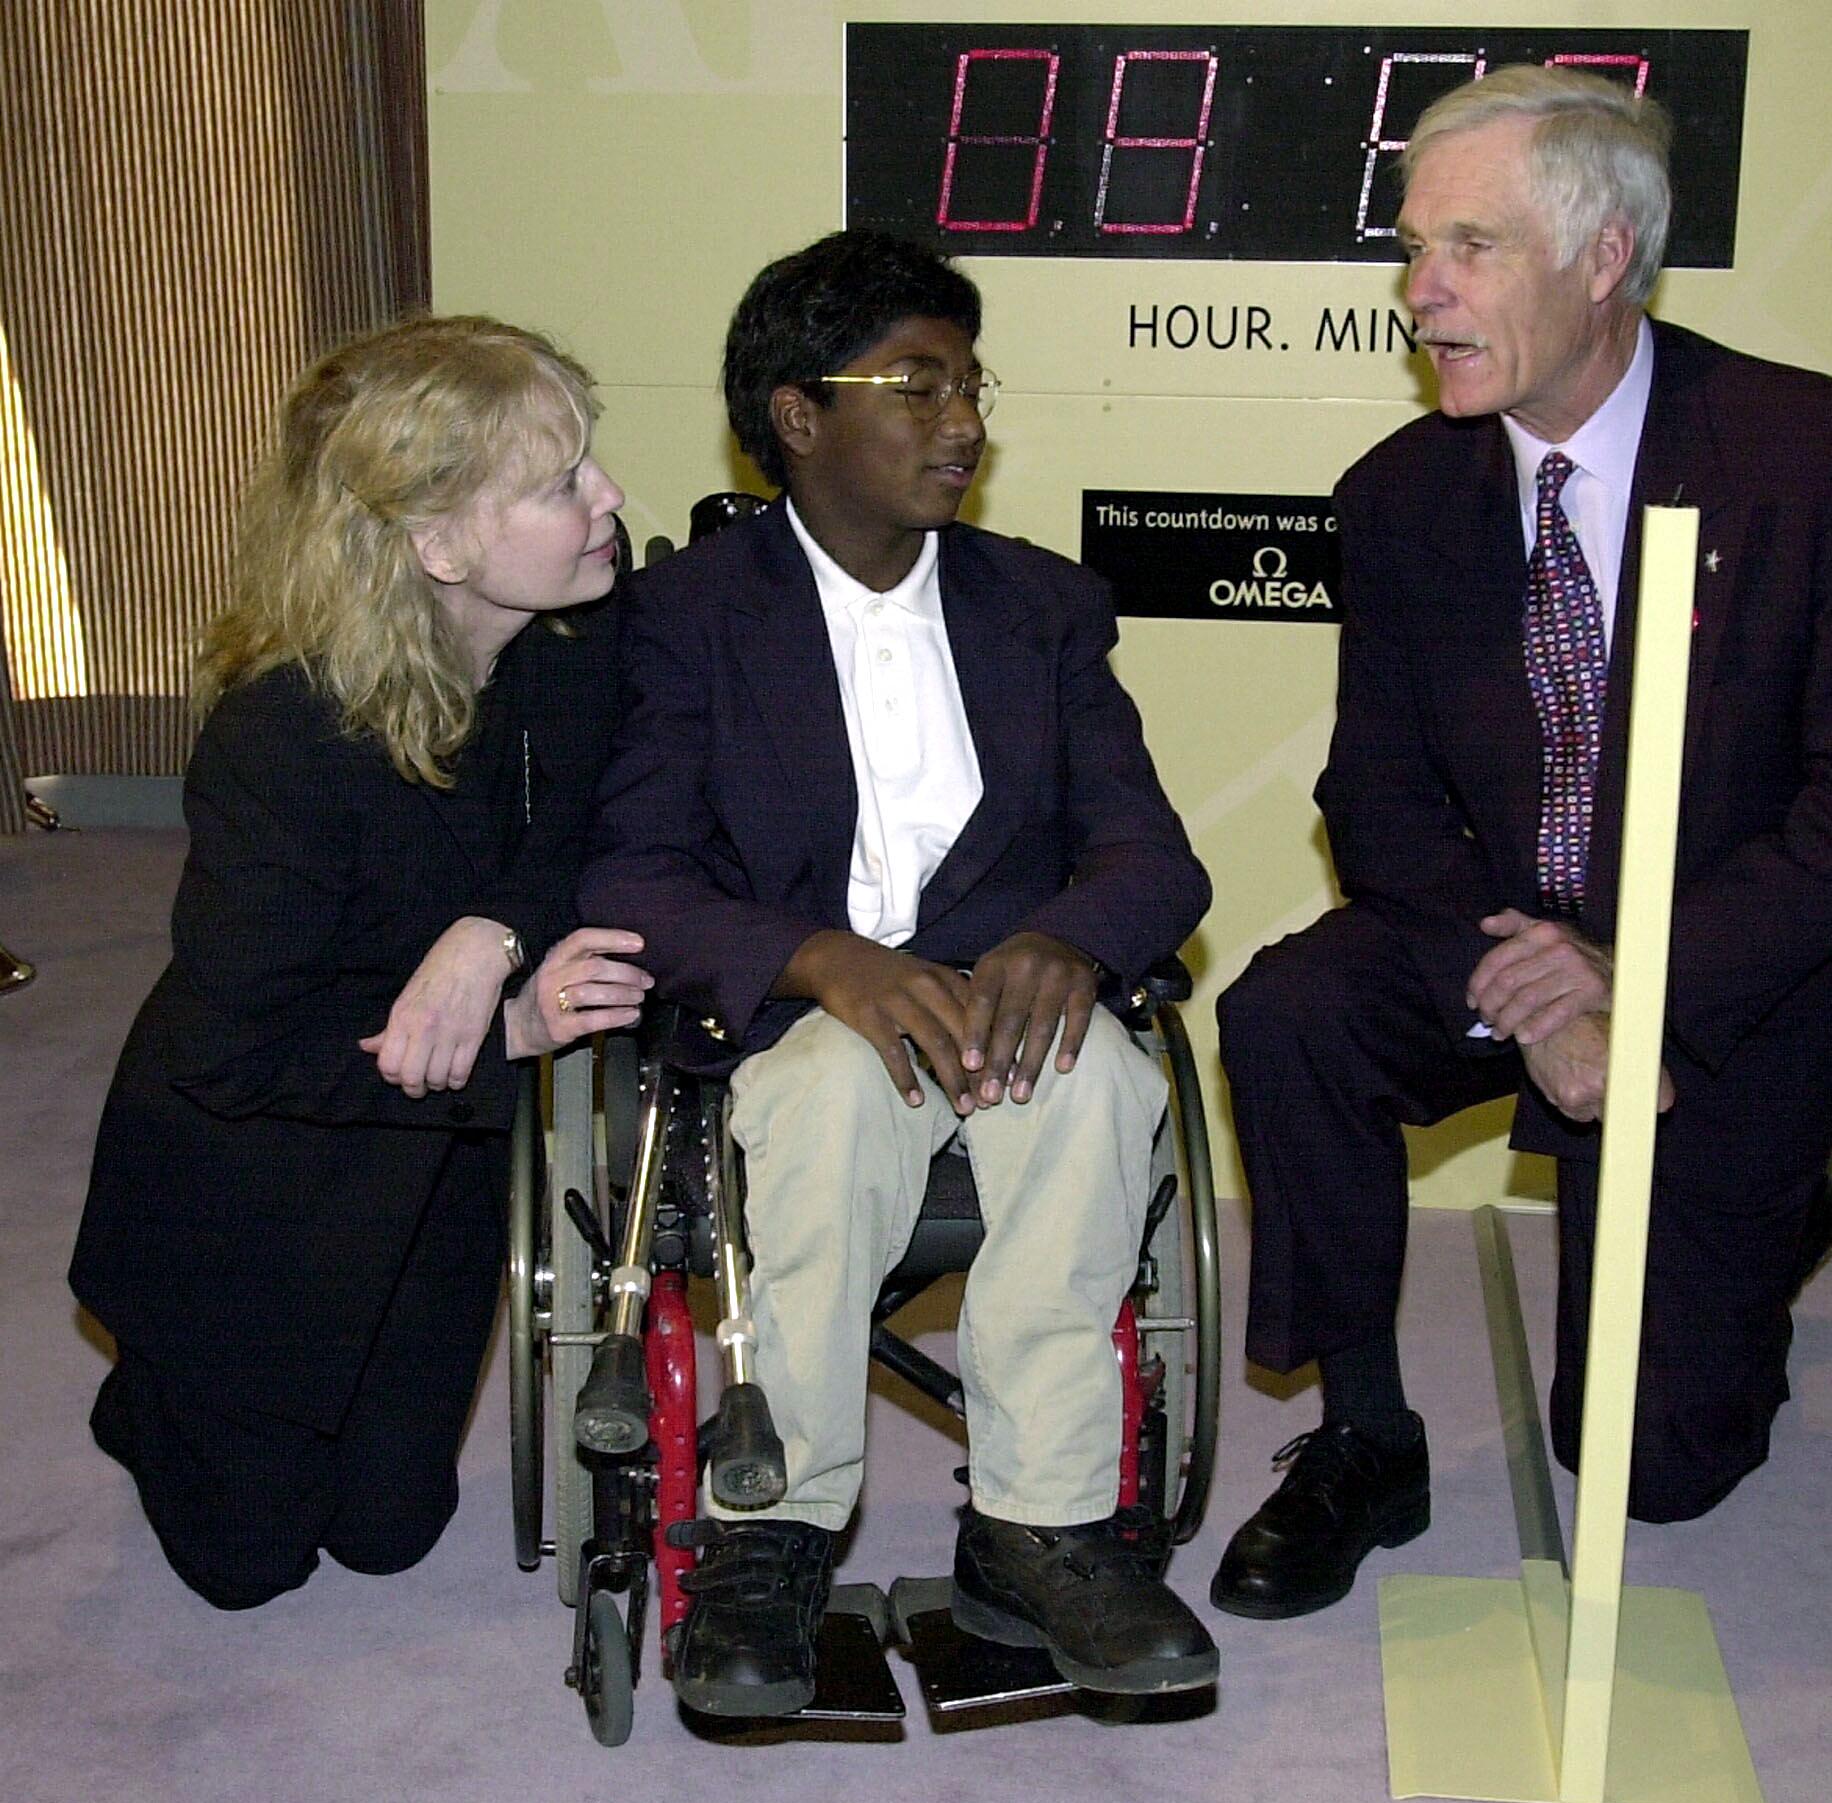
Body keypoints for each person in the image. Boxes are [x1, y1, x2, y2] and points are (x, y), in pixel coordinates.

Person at [1211, 66, 1832, 1620]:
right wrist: (1547, 989)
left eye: (1467, 249)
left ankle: (1763, 1234)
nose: (1421, 295)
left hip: (1726, 973)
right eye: (1415, 252)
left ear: (1605, 257)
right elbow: (1381, 798)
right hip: (1498, 938)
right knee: (1289, 1011)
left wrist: (1645, 984)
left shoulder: (1823, 458)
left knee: (1650, 1472)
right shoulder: (1400, 496)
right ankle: (1363, 1437)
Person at [581, 229, 1218, 1712]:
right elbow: (630, 875)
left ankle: (1042, 1530)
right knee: (827, 1110)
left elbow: (1153, 858)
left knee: (1096, 1093)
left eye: (970, 385)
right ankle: (772, 1535)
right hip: (808, 1019)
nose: (964, 422)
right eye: (917, 387)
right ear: (800, 416)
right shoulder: (688, 617)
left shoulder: (1042, 608)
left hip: (1011, 1002)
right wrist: (814, 959)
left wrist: (1065, 939)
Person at [70, 315, 652, 1610]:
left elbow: (582, 816)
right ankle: (156, 1386)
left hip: (431, 1160)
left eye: (589, 464)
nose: (607, 498)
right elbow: (237, 1050)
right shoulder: (281, 742)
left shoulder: (575, 633)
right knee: (248, 1570)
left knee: (388, 1533)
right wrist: (511, 1028)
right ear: (438, 544)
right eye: (560, 484)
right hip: (257, 1172)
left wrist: (487, 934)